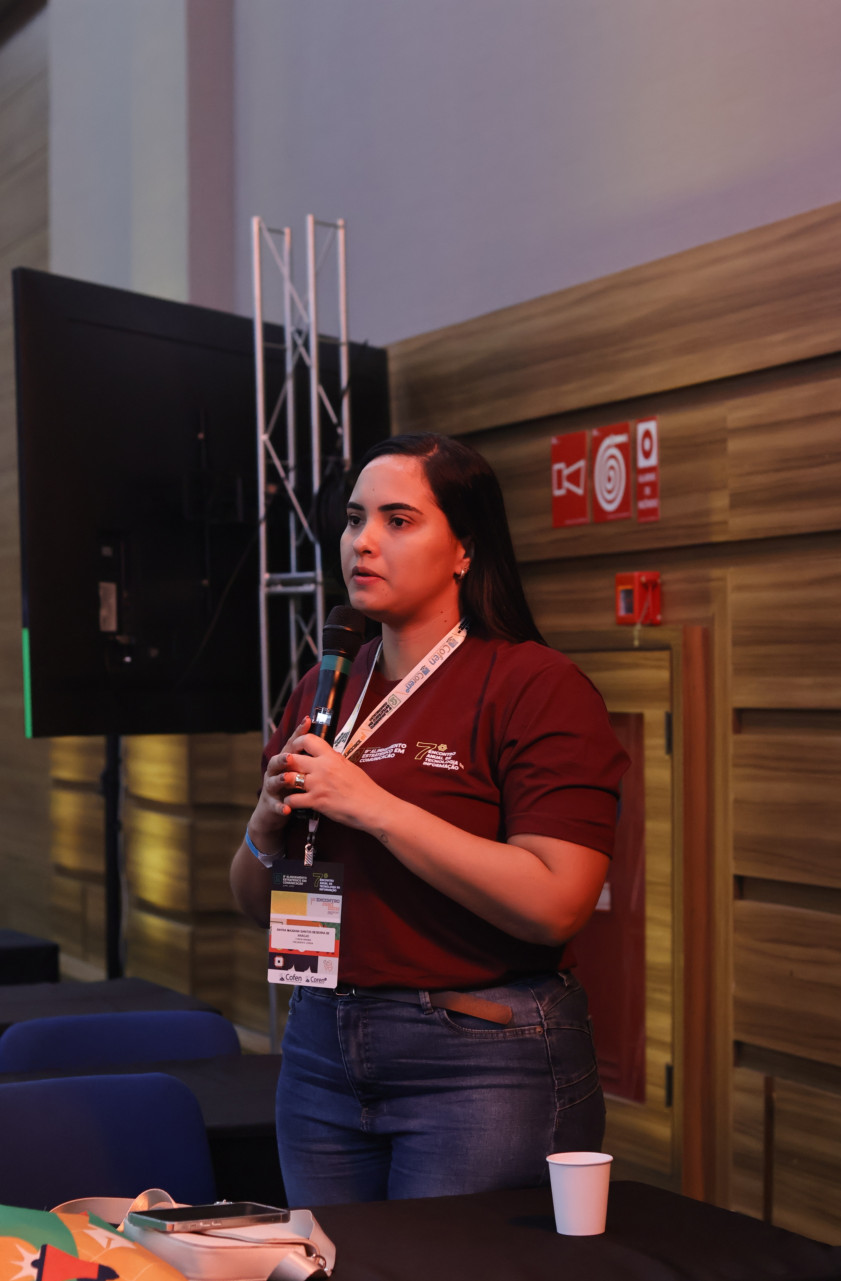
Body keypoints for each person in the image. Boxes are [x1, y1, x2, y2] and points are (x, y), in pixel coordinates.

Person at [230, 433, 629, 1207]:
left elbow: (558, 901)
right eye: (354, 518)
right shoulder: (323, 684)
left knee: (449, 1261)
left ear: (464, 549)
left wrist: (373, 807)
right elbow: (256, 903)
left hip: (477, 1053)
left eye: (398, 519)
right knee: (335, 1259)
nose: (362, 541)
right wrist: (264, 826)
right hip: (320, 1045)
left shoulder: (534, 684)